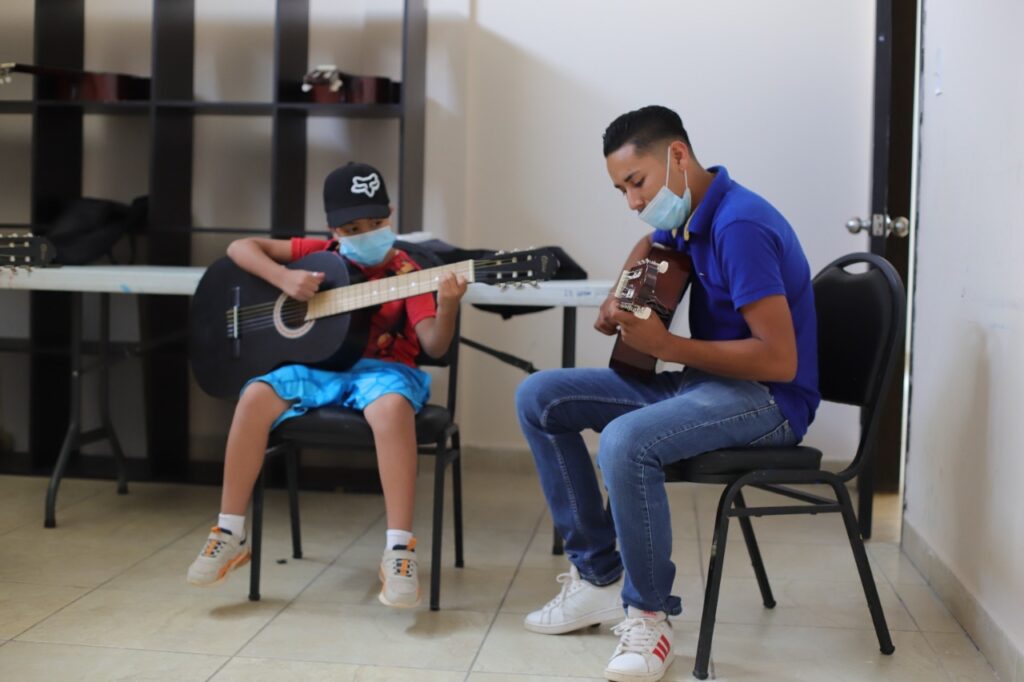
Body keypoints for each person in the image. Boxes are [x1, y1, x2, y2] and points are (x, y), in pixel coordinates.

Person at [516, 105, 820, 681]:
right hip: (705, 385)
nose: (633, 201)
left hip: (769, 399)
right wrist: (619, 294)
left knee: (626, 441)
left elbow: (780, 360)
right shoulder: (692, 213)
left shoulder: (740, 226)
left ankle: (649, 616)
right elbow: (650, 245)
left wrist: (669, 345)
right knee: (540, 396)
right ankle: (598, 578)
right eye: (622, 190)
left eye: (637, 182)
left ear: (678, 155)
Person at [186, 161, 467, 608]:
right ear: (332, 228)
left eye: (376, 223)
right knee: (254, 395)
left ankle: (399, 549)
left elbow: (434, 344)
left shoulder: (408, 273)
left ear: (391, 215)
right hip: (319, 367)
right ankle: (230, 531)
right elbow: (240, 248)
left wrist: (447, 304)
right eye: (353, 228)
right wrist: (283, 278)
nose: (366, 233)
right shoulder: (321, 253)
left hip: (384, 372)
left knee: (392, 409)